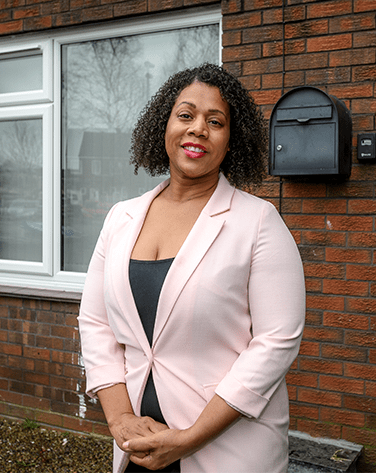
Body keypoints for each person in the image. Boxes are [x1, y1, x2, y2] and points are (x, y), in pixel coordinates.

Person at [78, 63, 306, 473]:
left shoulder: (257, 222)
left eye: (215, 121)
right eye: (186, 115)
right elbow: (95, 322)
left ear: (231, 140)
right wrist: (120, 419)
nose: (198, 128)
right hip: (136, 448)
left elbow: (277, 341)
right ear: (163, 125)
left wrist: (190, 437)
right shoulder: (121, 218)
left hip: (225, 453)